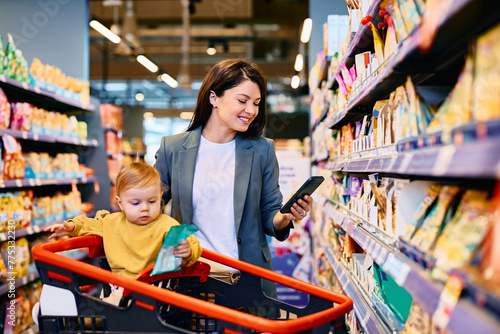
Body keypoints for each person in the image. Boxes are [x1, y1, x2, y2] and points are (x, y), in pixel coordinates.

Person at [154, 58, 312, 298]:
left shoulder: (262, 150)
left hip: (246, 281)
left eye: (256, 103)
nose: (251, 110)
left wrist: (286, 214)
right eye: (242, 100)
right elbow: (148, 205)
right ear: (213, 97)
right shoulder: (173, 149)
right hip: (190, 279)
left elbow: (271, 215)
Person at [44, 162, 202, 304]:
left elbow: (192, 243)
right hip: (120, 289)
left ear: (160, 197)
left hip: (157, 292)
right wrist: (72, 226)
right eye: (136, 203)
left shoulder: (167, 225)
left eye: (152, 201)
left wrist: (187, 250)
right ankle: (57, 310)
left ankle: (63, 314)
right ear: (121, 203)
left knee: (105, 314)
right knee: (105, 307)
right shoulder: (112, 222)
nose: (145, 208)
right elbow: (90, 224)